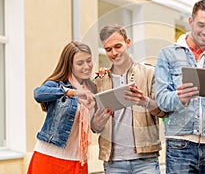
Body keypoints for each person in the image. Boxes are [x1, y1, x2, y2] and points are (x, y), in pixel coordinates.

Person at [155, 0, 205, 173]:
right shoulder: (167, 55)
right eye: (201, 25)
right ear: (190, 22)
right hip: (179, 144)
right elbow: (161, 99)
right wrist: (179, 98)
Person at [91, 24, 166, 174]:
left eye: (118, 46)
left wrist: (144, 101)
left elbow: (163, 112)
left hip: (146, 160)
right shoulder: (99, 81)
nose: (114, 53)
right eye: (108, 49)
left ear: (128, 43)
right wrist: (97, 122)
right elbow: (94, 127)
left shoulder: (150, 73)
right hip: (113, 162)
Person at [27, 41, 96, 174]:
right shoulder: (58, 85)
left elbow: (96, 126)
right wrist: (72, 92)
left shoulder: (92, 89)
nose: (86, 66)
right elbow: (38, 93)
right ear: (69, 65)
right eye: (80, 63)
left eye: (89, 61)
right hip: (49, 158)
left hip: (79, 161)